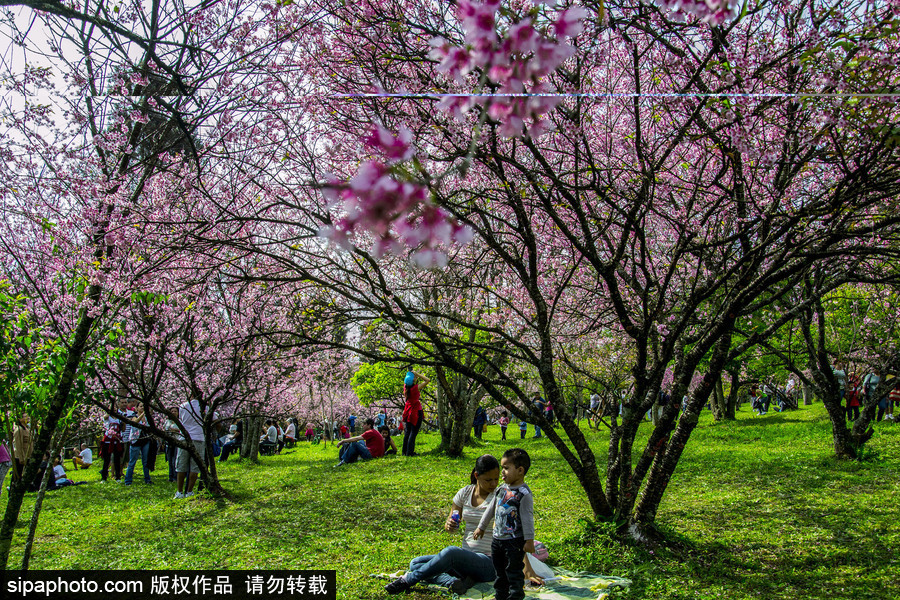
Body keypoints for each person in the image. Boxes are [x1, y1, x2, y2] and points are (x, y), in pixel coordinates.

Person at [384, 454, 542, 595]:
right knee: (416, 563)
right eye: (488, 480)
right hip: (466, 559)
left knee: (450, 553)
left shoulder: (502, 496)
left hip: (489, 561)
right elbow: (450, 525)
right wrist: (450, 524)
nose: (494, 483)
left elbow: (514, 532)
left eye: (496, 478)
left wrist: (526, 566)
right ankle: (453, 582)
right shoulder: (464, 493)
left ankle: (406, 581)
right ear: (476, 475)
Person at [474, 448, 535, 600]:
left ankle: (515, 596)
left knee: (513, 572)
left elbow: (527, 518)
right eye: (503, 468)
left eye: (506, 468)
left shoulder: (523, 493)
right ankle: (500, 596)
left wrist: (529, 540)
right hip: (497, 539)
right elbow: (490, 509)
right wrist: (481, 527)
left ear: (520, 470)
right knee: (499, 571)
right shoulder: (501, 489)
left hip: (514, 541)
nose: (502, 472)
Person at [173, 394, 212, 499]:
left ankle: (179, 491)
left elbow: (180, 419)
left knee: (181, 465)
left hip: (184, 437)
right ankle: (189, 491)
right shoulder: (204, 407)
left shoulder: (183, 406)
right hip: (198, 437)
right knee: (195, 466)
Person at [402, 368, 430, 456]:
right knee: (413, 432)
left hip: (407, 410)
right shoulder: (415, 388)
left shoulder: (405, 388)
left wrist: (411, 375)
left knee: (407, 432)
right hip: (416, 411)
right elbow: (427, 380)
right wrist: (417, 374)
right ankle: (410, 452)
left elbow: (408, 381)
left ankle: (404, 451)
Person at [124, 408, 152, 485]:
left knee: (145, 461)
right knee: (132, 462)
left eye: (143, 406)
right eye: (140, 406)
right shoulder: (133, 416)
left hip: (145, 440)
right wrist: (142, 414)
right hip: (135, 441)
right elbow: (135, 422)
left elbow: (149, 426)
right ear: (137, 408)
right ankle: (128, 481)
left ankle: (147, 479)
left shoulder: (147, 417)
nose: (142, 407)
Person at [12, 415, 34, 483]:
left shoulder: (26, 429)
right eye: (25, 416)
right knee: (17, 476)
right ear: (19, 419)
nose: (27, 417)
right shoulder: (19, 430)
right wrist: (22, 458)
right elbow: (18, 445)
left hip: (27, 456)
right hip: (20, 457)